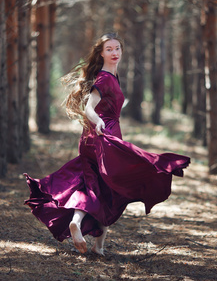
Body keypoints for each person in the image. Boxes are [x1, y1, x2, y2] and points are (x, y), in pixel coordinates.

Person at [24, 32, 190, 256]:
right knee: (111, 190)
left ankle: (90, 236)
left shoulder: (112, 77)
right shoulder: (104, 79)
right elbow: (89, 108)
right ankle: (95, 241)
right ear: (101, 53)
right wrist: (99, 121)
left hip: (93, 137)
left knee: (95, 186)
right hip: (104, 136)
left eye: (117, 48)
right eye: (109, 49)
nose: (114, 53)